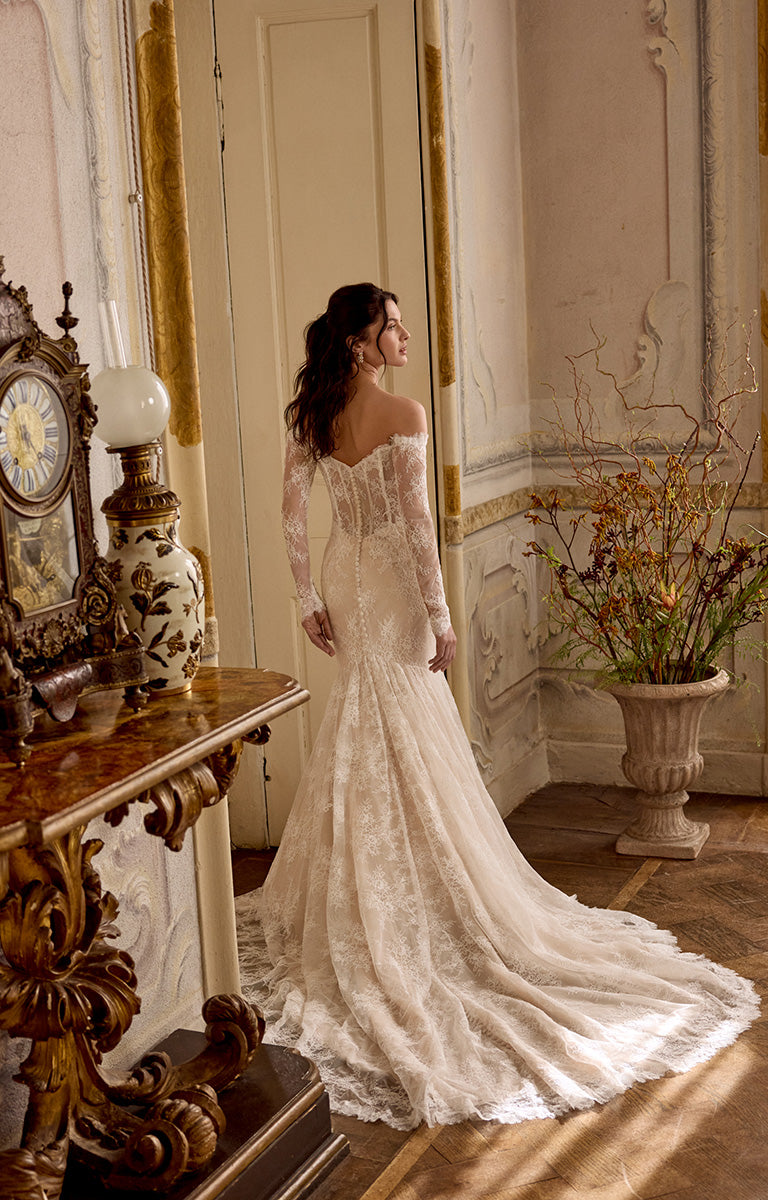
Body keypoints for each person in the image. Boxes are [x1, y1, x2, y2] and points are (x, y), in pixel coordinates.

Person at [238, 282, 759, 1130]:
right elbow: (416, 528)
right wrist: (440, 618)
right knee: (399, 714)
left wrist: (306, 598)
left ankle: (374, 886)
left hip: (343, 575)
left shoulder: (314, 418)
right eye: (392, 326)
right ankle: (416, 892)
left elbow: (294, 513)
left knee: (368, 720)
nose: (406, 335)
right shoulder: (401, 414)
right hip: (394, 587)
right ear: (363, 345)